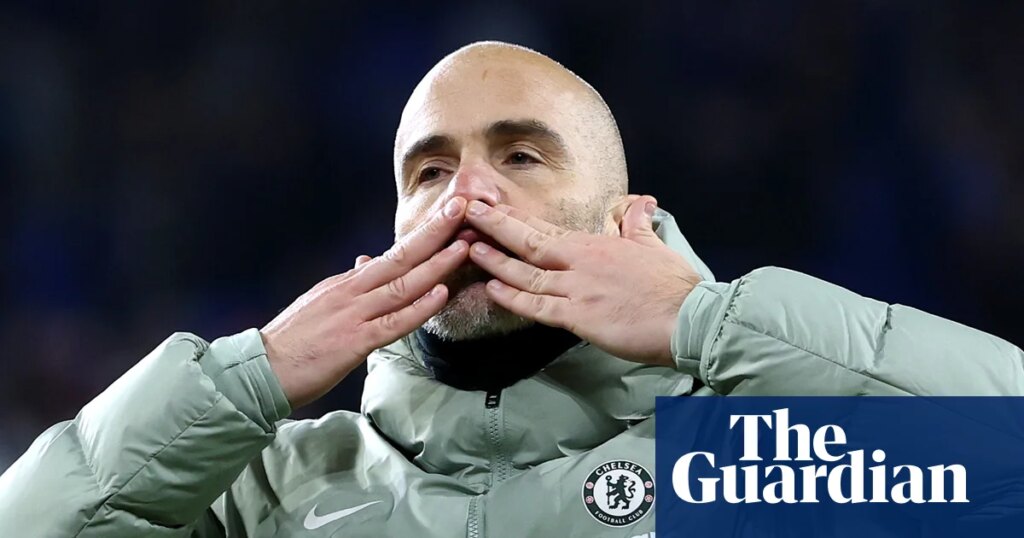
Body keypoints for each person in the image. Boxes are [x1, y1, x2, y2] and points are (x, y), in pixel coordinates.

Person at [1, 41, 1022, 538]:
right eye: (429, 171)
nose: (467, 196)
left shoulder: (739, 466)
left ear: (624, 217)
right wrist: (248, 376)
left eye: (522, 156)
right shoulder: (278, 489)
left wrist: (704, 320)